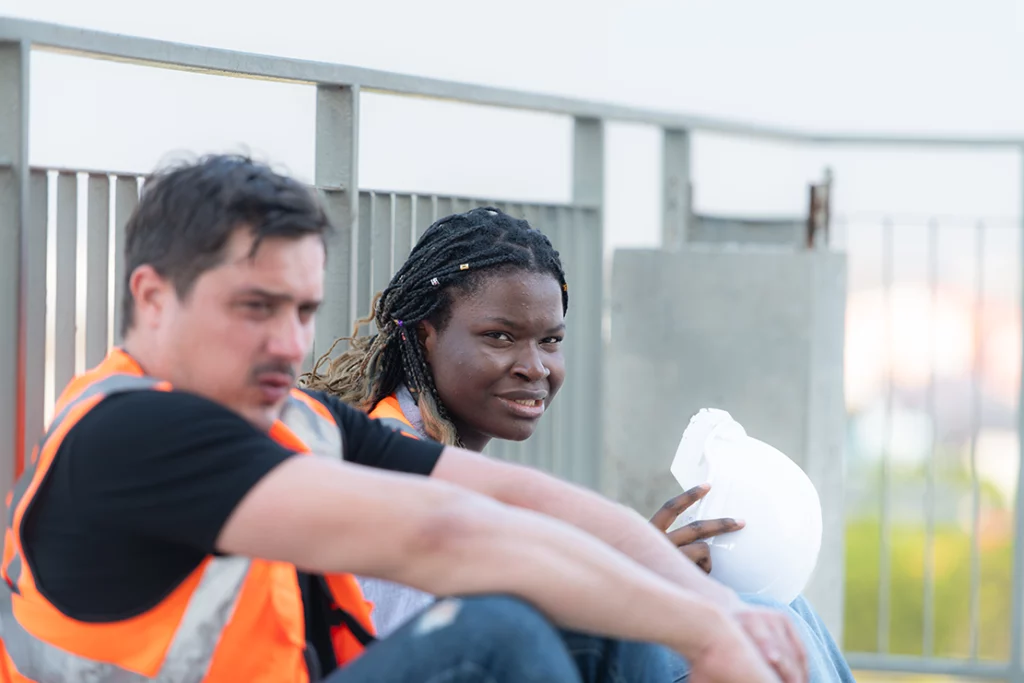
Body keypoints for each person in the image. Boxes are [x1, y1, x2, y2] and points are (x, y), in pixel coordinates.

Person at [0, 155, 801, 683]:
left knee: (712, 615)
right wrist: (700, 634)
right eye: (255, 307)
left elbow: (531, 503)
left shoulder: (290, 415)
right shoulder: (131, 434)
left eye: (304, 309)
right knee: (499, 633)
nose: (289, 341)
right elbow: (444, 533)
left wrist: (728, 619)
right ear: (151, 297)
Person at [304, 207, 854, 683]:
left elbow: (535, 511)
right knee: (751, 618)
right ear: (426, 333)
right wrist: (638, 583)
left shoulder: (419, 441)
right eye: (500, 336)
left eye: (551, 341)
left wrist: (641, 568)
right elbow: (455, 638)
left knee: (773, 612)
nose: (535, 367)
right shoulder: (392, 462)